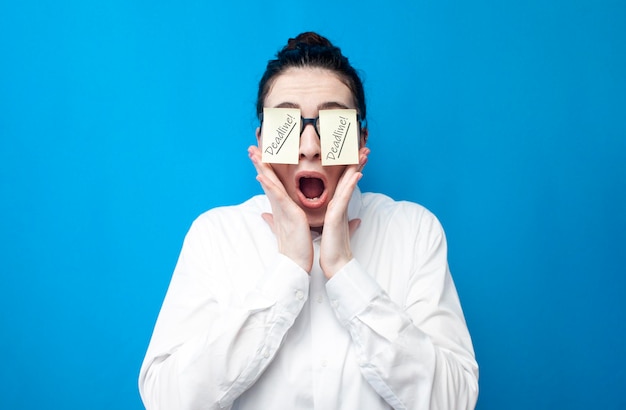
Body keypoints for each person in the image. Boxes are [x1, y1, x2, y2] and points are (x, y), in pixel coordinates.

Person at [139, 32, 479, 410]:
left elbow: (455, 401)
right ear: (263, 140)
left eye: (333, 125)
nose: (310, 147)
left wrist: (344, 271)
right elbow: (164, 400)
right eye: (287, 125)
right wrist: (287, 270)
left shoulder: (413, 232)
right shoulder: (216, 236)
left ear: (361, 139)